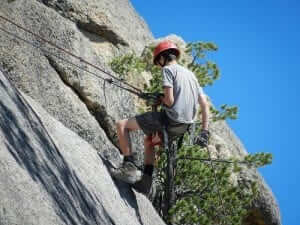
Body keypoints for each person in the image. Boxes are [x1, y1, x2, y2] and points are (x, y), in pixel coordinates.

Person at [110, 40, 210, 185]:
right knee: (149, 142)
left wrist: (159, 99)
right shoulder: (192, 76)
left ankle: (128, 168)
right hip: (183, 127)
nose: (159, 66)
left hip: (169, 119)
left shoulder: (168, 70)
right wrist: (205, 131)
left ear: (163, 58)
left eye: (158, 62)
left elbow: (169, 101)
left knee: (122, 126)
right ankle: (146, 182)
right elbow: (205, 105)